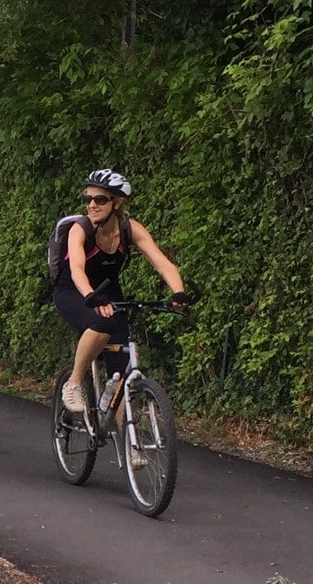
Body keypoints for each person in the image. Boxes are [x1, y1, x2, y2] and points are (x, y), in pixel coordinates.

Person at [53, 170, 187, 454]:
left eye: (100, 199)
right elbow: (77, 269)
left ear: (117, 203)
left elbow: (162, 262)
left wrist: (178, 293)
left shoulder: (130, 229)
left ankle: (130, 445)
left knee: (122, 374)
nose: (91, 205)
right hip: (72, 290)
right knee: (101, 325)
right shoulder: (80, 229)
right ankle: (74, 383)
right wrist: (91, 296)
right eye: (88, 199)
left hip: (109, 290)